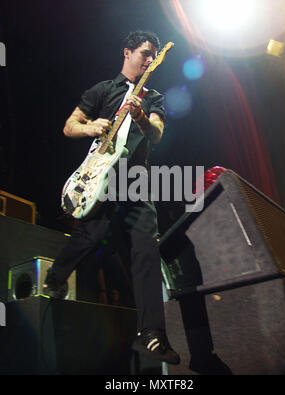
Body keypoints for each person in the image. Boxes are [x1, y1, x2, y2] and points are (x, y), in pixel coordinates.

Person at [43, 31, 180, 365]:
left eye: (154, 55)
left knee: (146, 248)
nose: (150, 60)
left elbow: (158, 134)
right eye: (145, 53)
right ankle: (55, 277)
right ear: (127, 52)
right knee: (92, 233)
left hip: (136, 178)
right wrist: (91, 128)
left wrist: (141, 117)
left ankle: (151, 334)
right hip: (99, 174)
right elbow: (70, 125)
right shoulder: (103, 90)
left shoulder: (153, 97)